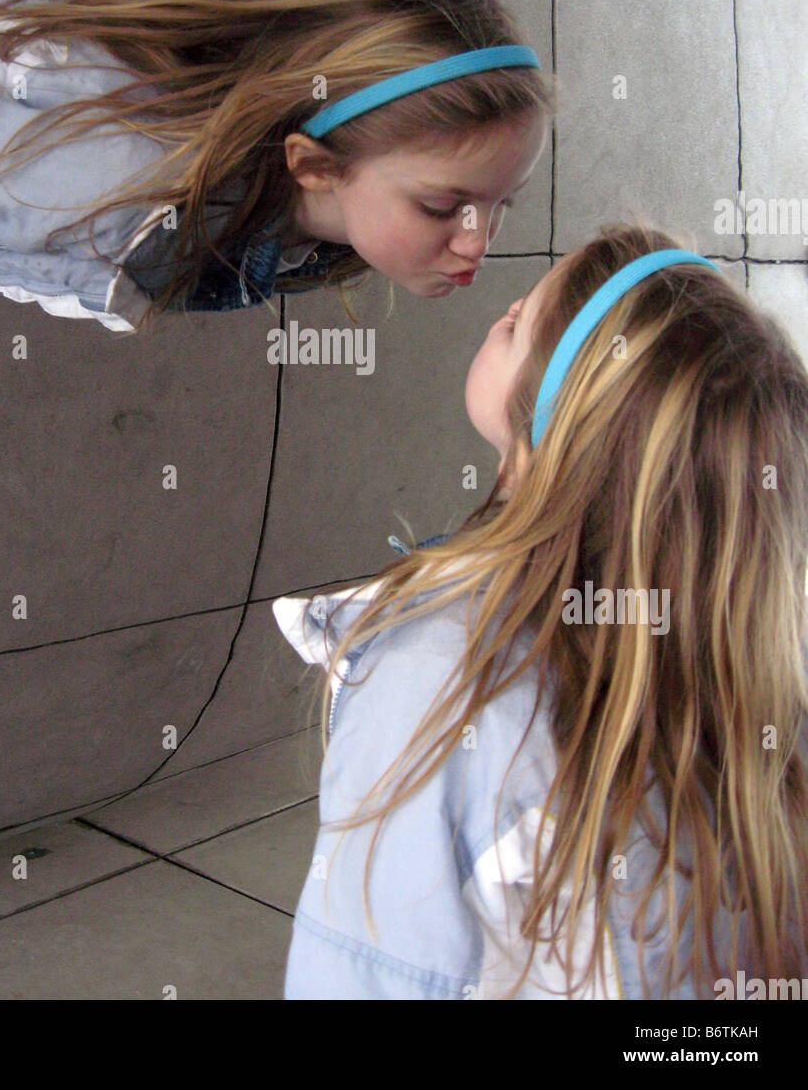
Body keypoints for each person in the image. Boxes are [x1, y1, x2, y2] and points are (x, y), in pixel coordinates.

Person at [274, 221, 808, 998]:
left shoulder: (439, 675)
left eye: (523, 322)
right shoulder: (758, 687)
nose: (505, 306)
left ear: (549, 438)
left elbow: (364, 970)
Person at [0, 0, 550, 332]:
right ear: (315, 165)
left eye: (499, 203)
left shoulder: (302, 204)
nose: (477, 239)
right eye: (441, 206)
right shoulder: (127, 185)